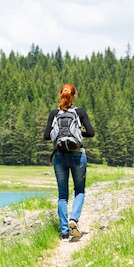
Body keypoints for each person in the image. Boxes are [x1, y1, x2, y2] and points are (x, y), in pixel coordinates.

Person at [43, 83, 95, 242]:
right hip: (77, 155)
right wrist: (78, 134)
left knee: (62, 196)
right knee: (79, 190)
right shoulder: (80, 112)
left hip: (59, 156)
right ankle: (74, 219)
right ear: (74, 96)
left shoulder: (54, 113)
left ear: (60, 95)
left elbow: (46, 136)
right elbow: (91, 133)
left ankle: (64, 232)